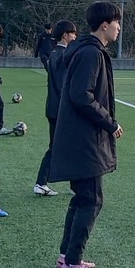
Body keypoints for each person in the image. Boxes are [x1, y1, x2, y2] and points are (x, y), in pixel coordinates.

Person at [49, 1, 123, 268]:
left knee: (83, 198)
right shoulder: (91, 53)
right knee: (92, 199)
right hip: (85, 140)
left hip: (80, 137)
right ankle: (72, 262)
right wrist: (110, 122)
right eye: (116, 22)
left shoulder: (85, 50)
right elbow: (82, 95)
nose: (119, 28)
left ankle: (66, 256)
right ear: (104, 25)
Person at [34, 19, 77, 197]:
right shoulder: (62, 55)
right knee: (59, 147)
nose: (75, 36)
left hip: (53, 107)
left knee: (65, 146)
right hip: (60, 110)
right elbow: (63, 86)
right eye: (73, 33)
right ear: (65, 35)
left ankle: (73, 184)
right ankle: (41, 182)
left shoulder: (54, 53)